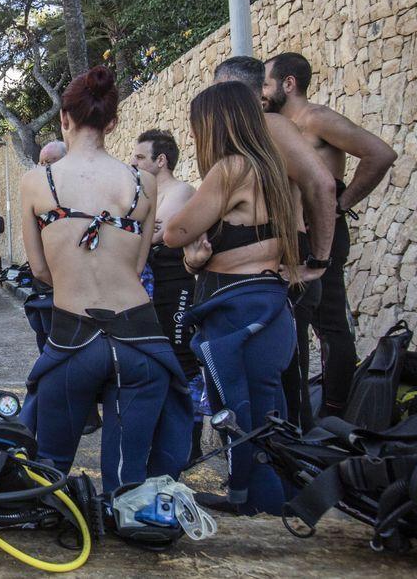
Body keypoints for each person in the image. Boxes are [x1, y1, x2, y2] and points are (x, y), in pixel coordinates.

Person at [19, 66, 190, 493]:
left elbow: (39, 270)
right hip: (139, 336)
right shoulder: (143, 182)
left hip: (72, 335)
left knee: (50, 466)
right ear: (113, 123)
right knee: (127, 478)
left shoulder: (38, 182)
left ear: (64, 118)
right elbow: (136, 267)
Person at [164, 81, 300, 516]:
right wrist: (195, 264)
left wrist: (191, 256)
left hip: (235, 310)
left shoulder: (231, 170)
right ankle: (266, 493)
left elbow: (175, 232)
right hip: (270, 304)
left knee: (237, 410)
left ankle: (252, 499)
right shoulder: (276, 168)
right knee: (265, 406)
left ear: (215, 124)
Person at [264, 52, 397, 416]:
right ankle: (302, 410)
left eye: (266, 82)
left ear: (288, 84)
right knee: (300, 322)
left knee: (331, 324)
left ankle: (336, 411)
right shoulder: (282, 128)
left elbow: (380, 154)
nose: (262, 92)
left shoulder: (315, 119)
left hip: (322, 235)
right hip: (297, 235)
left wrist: (341, 203)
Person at [214, 56, 335, 429]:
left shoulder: (273, 128)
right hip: (252, 277)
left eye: (219, 89)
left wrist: (318, 261)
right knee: (262, 379)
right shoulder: (244, 134)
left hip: (285, 264)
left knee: (286, 381)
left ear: (235, 89)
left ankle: (293, 471)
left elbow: (323, 184)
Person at [130, 130, 204, 454]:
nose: (133, 162)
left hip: (177, 289)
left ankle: (192, 444)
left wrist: (140, 227)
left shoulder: (182, 191)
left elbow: (157, 234)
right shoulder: (145, 195)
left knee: (182, 358)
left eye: (140, 157)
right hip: (151, 291)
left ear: (161, 161)